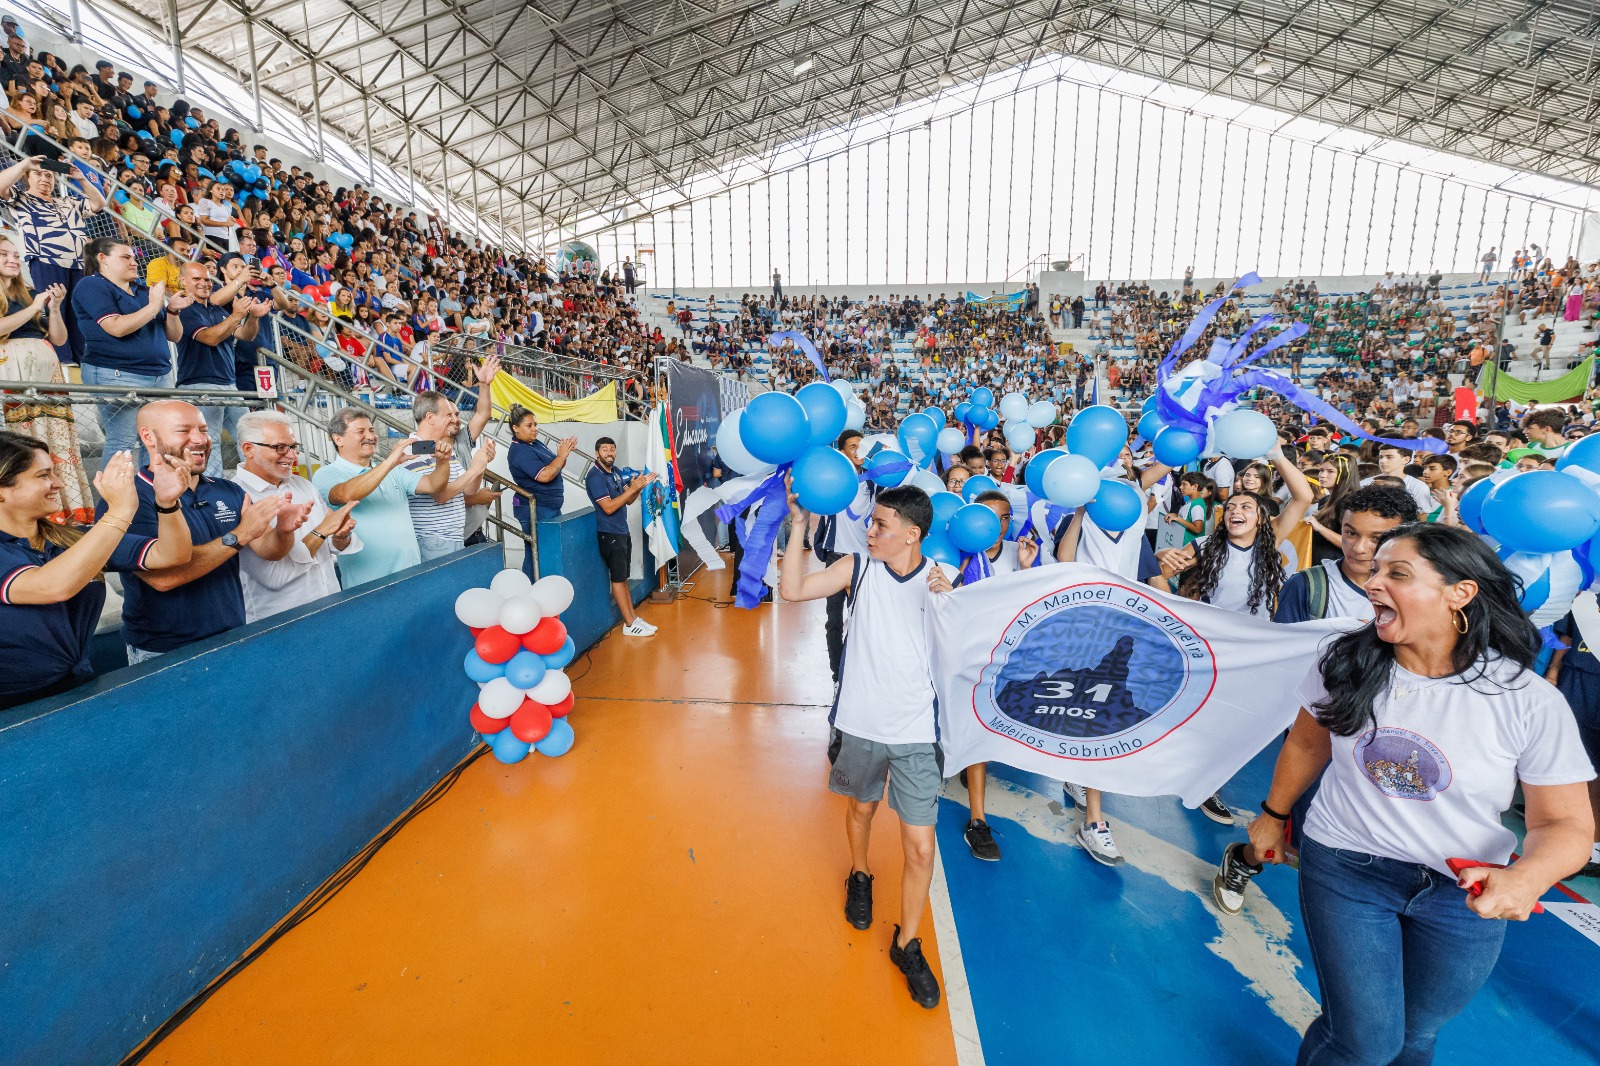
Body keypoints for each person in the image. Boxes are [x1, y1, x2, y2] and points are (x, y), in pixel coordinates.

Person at [1243, 524, 1593, 1063]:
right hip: (1346, 869)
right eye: (1376, 570)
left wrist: (1525, 878)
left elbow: (1565, 825)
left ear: (1461, 593)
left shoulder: (1527, 700)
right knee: (1364, 1042)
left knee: (1415, 1036)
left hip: (1461, 894)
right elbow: (1307, 744)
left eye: (1397, 573)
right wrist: (1272, 815)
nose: (1373, 582)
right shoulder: (1344, 662)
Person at [779, 485, 955, 1009]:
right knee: (861, 809)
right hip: (860, 722)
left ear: (912, 534)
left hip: (918, 731)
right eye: (871, 523)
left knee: (920, 846)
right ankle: (861, 874)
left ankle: (907, 943)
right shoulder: (858, 567)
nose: (870, 531)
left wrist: (953, 604)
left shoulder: (942, 578)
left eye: (880, 524)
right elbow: (792, 591)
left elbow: (967, 646)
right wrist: (799, 527)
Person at [1212, 484, 1418, 915]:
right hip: (1326, 729)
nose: (1361, 547)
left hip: (1396, 732)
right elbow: (1285, 657)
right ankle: (1245, 860)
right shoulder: (1309, 585)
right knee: (1300, 832)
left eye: (1377, 538)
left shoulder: (1426, 591)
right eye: (1349, 533)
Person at [0, 436, 192, 709]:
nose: (59, 483)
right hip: (13, 706)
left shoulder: (71, 538)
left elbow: (171, 554)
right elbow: (53, 587)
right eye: (43, 475)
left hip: (76, 687)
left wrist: (167, 504)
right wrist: (121, 510)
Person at [102, 401, 301, 661]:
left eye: (204, 430)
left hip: (232, 636)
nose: (200, 439)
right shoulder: (126, 497)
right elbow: (163, 579)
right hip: (164, 651)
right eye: (184, 431)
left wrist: (285, 531)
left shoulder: (227, 490)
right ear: (148, 436)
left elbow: (268, 550)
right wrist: (239, 536)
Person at [951, 489, 1042, 862]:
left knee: (982, 733)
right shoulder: (955, 553)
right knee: (963, 730)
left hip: (999, 661)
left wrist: (1025, 570)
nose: (996, 525)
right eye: (988, 516)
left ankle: (977, 816)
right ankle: (973, 811)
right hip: (959, 655)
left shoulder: (1019, 554)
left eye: (1004, 517)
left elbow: (1031, 608)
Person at [230, 410, 359, 622]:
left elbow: (335, 546)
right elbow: (274, 576)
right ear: (248, 449)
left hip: (331, 608)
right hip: (281, 624)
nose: (291, 455)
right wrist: (320, 532)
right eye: (280, 448)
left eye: (293, 447)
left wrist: (340, 536)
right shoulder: (236, 496)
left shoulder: (304, 485)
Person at [0, 236, 92, 523]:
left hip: (47, 372)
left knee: (55, 437)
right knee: (24, 436)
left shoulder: (28, 293)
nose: (13, 259)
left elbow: (59, 338)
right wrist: (34, 307)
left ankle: (66, 509)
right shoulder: (29, 300)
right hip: (12, 370)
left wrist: (53, 309)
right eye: (4, 254)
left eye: (16, 255)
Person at [310, 408, 452, 588]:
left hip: (410, 573)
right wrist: (390, 462)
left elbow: (433, 485)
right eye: (360, 432)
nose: (370, 436)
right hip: (368, 583)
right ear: (338, 439)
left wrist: (443, 461)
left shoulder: (392, 470)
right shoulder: (327, 473)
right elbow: (346, 494)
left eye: (371, 430)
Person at [72, 237, 183, 463]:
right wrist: (154, 306)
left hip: (158, 375)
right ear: (102, 259)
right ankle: (112, 497)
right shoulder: (92, 285)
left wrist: (171, 311)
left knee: (155, 441)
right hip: (116, 373)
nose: (134, 262)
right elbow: (115, 327)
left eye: (134, 258)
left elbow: (174, 335)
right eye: (125, 257)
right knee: (122, 440)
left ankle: (149, 494)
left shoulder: (142, 290)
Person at [0, 153, 105, 364]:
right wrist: (24, 164)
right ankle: (60, 359)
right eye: (38, 174)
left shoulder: (67, 201)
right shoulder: (21, 198)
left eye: (49, 175)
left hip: (79, 264)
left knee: (78, 314)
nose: (44, 179)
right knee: (53, 309)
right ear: (27, 177)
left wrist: (81, 178)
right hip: (46, 260)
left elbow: (99, 204)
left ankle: (81, 360)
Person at [175, 261, 270, 476]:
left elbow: (246, 335)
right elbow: (210, 338)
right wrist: (236, 315)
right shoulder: (184, 309)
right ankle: (212, 490)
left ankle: (256, 483)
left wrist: (253, 316)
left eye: (208, 279)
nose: (204, 283)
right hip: (199, 383)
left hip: (228, 383)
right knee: (210, 441)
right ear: (183, 281)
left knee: (248, 437)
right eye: (196, 279)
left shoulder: (217, 310)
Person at [402, 391, 495, 562]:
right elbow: (441, 495)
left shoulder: (439, 448)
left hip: (454, 538)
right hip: (434, 541)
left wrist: (481, 463)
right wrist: (474, 469)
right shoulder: (411, 451)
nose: (455, 419)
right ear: (430, 417)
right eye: (448, 414)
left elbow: (469, 490)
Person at [812, 429, 873, 683]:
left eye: (861, 446)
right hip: (836, 558)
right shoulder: (831, 481)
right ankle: (838, 674)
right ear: (842, 451)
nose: (857, 451)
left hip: (865, 560)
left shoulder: (874, 482)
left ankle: (859, 671)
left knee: (864, 619)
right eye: (852, 446)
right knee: (834, 621)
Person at [586, 435, 658, 636]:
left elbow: (627, 500)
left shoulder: (616, 472)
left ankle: (633, 618)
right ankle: (629, 624)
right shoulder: (595, 477)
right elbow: (608, 507)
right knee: (617, 579)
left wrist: (638, 488)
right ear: (597, 453)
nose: (609, 453)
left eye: (612, 449)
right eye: (605, 450)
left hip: (621, 531)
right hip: (609, 534)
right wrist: (632, 489)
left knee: (623, 577)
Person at [506, 404, 574, 578]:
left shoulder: (535, 443)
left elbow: (555, 466)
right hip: (535, 509)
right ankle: (531, 589)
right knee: (535, 551)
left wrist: (562, 456)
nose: (535, 429)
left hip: (548, 507)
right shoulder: (519, 451)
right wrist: (560, 457)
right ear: (515, 428)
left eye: (535, 424)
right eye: (529, 426)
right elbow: (545, 475)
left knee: (545, 550)